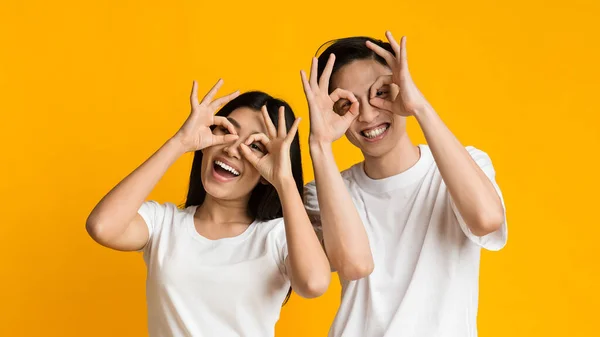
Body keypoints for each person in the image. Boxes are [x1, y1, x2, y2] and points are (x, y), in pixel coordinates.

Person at [299, 31, 508, 337]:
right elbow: (350, 264)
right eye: (348, 104)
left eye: (380, 93)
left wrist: (419, 106)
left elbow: (486, 220)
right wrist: (319, 144)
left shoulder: (464, 164)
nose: (368, 115)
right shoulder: (323, 192)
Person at [85, 79, 331, 337]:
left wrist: (283, 179)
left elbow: (313, 284)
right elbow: (102, 226)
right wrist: (180, 141)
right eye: (227, 131)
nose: (232, 149)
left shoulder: (277, 235)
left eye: (255, 146)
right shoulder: (164, 224)